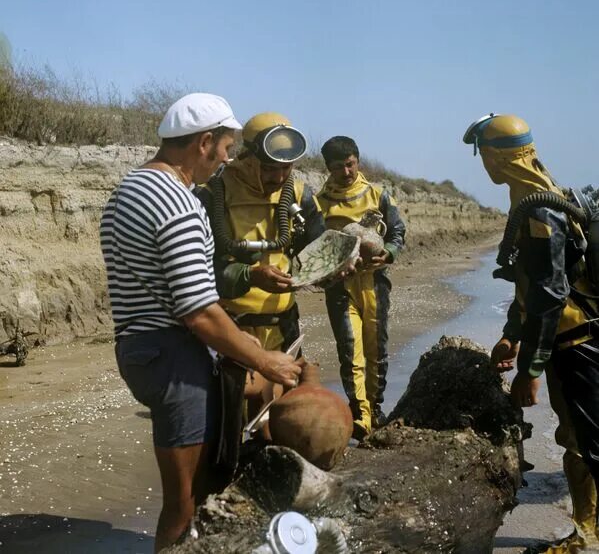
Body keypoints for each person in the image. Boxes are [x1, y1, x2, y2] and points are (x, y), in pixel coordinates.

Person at [100, 94, 301, 553]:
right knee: (184, 501)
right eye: (227, 148)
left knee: (198, 485)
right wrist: (265, 360)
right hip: (175, 359)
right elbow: (200, 312)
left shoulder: (128, 189)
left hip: (139, 349)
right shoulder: (179, 205)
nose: (229, 159)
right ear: (205, 142)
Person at [463, 113, 599, 554]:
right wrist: (511, 333)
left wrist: (530, 369)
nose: (482, 162)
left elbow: (548, 297)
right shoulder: (538, 193)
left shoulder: (539, 210)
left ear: (498, 156)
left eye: (483, 153)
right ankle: (586, 529)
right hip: (571, 336)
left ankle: (587, 535)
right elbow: (532, 283)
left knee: (589, 441)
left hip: (577, 343)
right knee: (580, 438)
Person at [195, 112, 325, 364]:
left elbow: (319, 250)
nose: (278, 178)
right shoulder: (213, 195)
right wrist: (250, 276)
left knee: (287, 401)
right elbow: (197, 273)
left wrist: (342, 265)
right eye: (268, 169)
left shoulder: (300, 195)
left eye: (286, 168)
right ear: (248, 158)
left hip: (284, 326)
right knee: (232, 402)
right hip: (230, 329)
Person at [317, 136, 406, 440]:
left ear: (357, 160)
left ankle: (376, 408)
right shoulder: (320, 202)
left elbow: (397, 231)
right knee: (350, 350)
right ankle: (360, 414)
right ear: (328, 168)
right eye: (339, 167)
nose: (346, 171)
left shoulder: (378, 195)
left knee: (376, 348)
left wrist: (390, 252)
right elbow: (314, 245)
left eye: (351, 164)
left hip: (375, 283)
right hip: (340, 286)